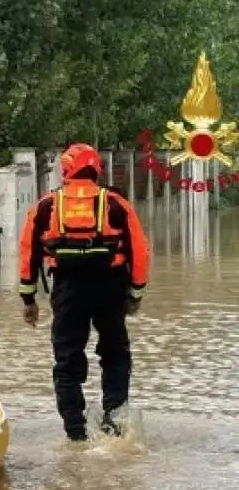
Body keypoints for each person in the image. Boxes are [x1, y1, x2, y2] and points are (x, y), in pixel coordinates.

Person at [18, 143, 150, 441]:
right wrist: (135, 295)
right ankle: (114, 425)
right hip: (110, 286)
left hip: (67, 288)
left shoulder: (45, 206)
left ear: (65, 169)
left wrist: (28, 300)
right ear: (96, 169)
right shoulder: (115, 203)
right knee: (115, 355)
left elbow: (28, 254)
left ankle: (75, 434)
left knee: (66, 359)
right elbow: (140, 252)